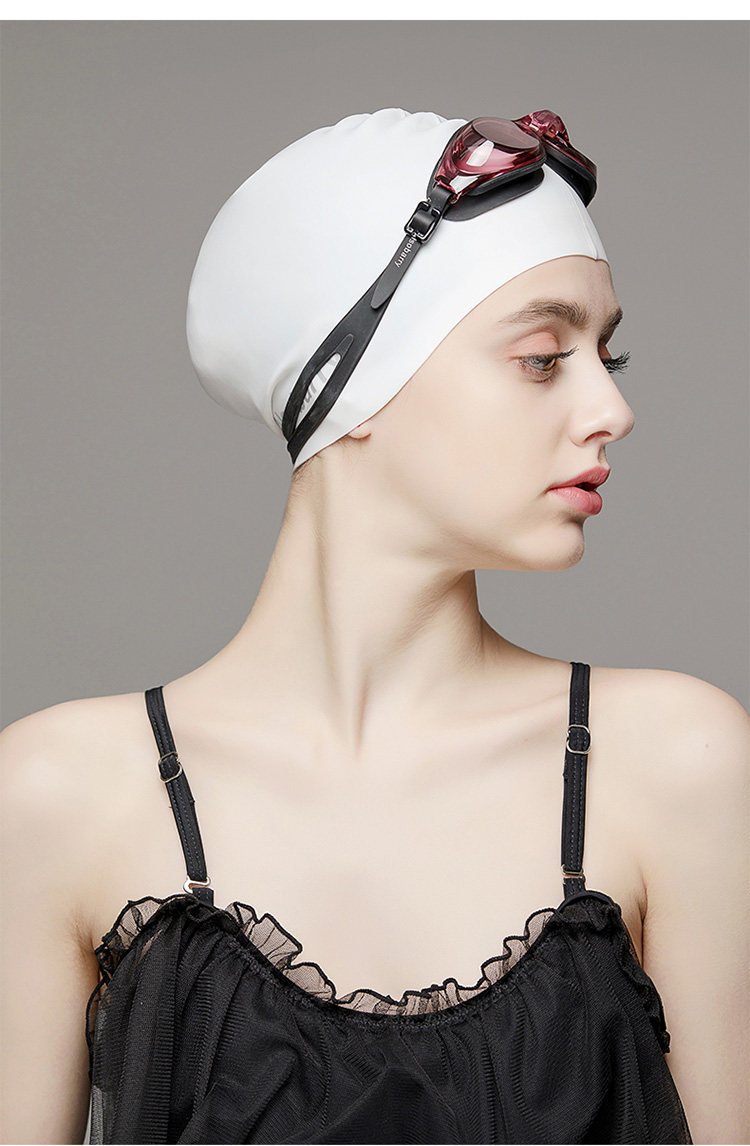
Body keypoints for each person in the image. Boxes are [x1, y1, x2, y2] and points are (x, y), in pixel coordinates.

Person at [0, 108, 747, 1145]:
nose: (610, 412)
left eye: (605, 358)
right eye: (543, 356)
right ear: (351, 384)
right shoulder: (59, 797)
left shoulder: (677, 762)